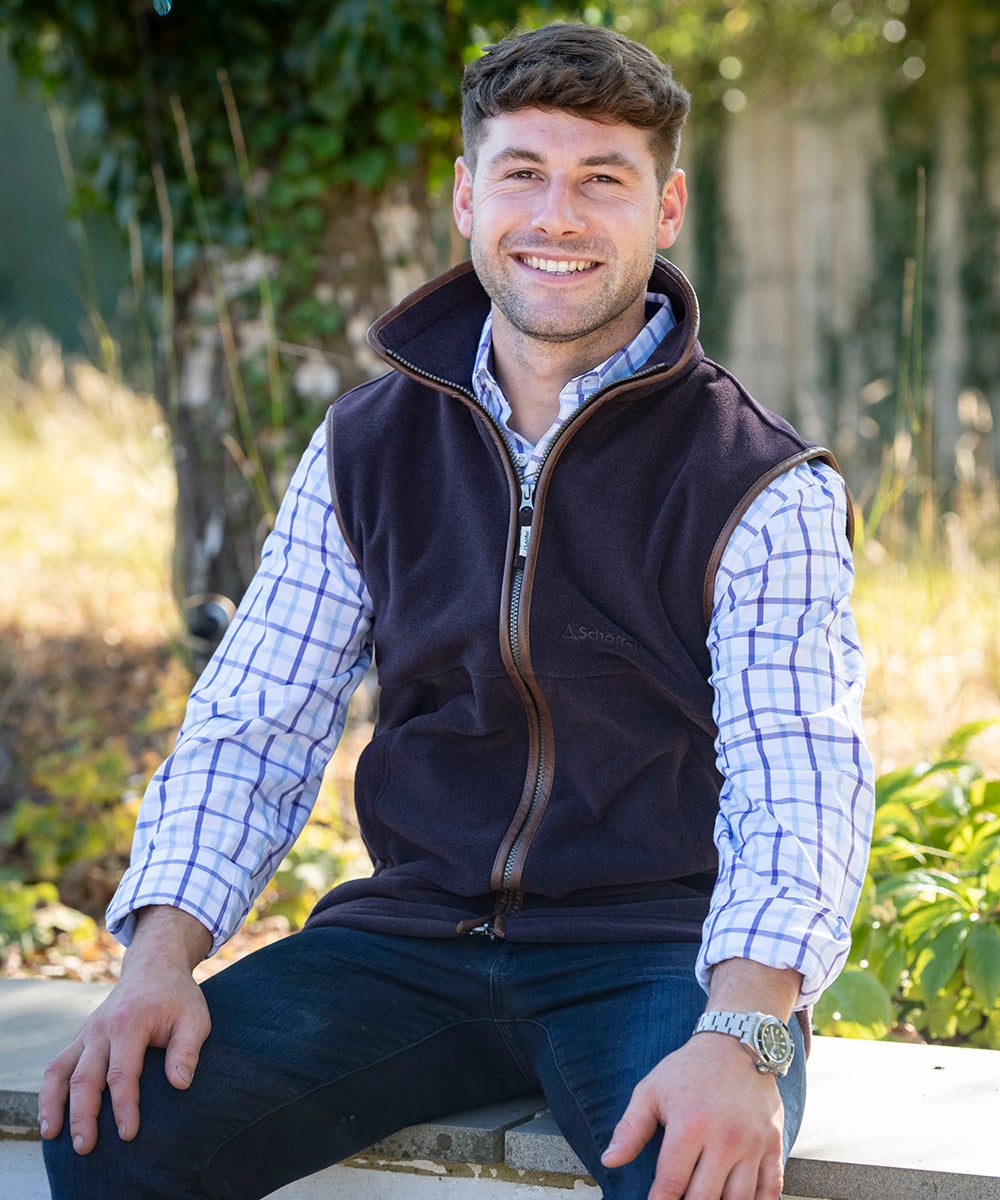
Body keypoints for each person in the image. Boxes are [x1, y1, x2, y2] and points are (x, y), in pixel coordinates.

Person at [40, 23, 874, 1200]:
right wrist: (157, 961)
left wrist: (743, 1032)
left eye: (603, 180)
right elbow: (254, 720)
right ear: (464, 198)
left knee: (695, 1176)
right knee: (113, 1129)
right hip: (410, 941)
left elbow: (799, 775)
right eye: (523, 174)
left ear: (667, 208)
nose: (558, 216)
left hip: (651, 957)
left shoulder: (757, 479)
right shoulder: (366, 445)